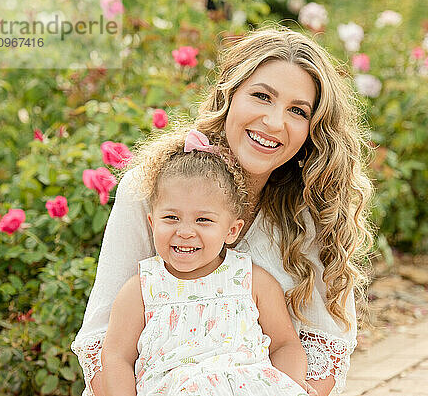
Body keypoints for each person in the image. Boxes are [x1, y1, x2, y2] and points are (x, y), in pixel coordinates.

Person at [72, 25, 373, 396]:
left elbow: (324, 344)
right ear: (228, 94)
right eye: (262, 96)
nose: (275, 122)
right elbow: (102, 344)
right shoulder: (150, 188)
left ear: (313, 129)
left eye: (297, 110)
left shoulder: (311, 209)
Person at [102, 129, 316, 396]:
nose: (185, 231)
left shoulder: (250, 280)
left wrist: (289, 386)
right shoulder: (142, 290)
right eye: (171, 218)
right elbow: (116, 358)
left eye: (203, 220)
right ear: (151, 223)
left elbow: (284, 344)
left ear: (232, 230)